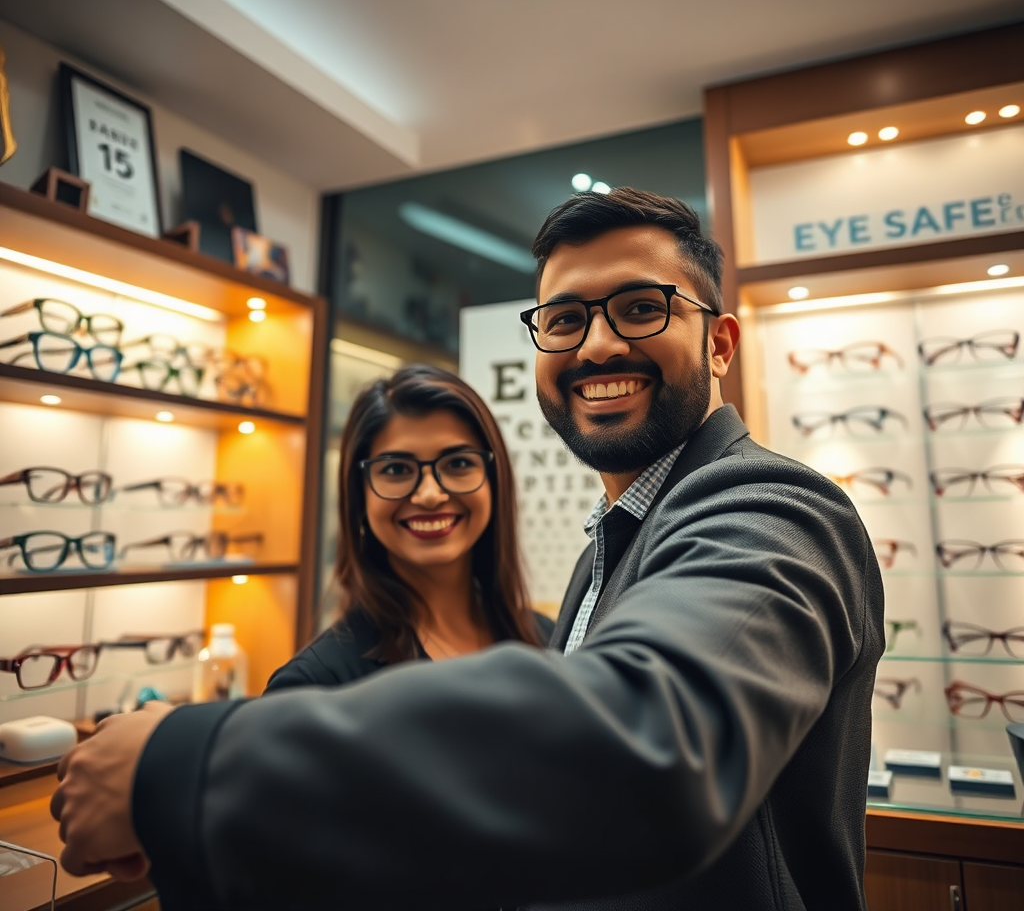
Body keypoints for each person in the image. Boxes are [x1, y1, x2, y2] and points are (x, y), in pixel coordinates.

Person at [50, 187, 884, 911]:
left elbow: (652, 743)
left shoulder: (771, 504)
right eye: (564, 319)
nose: (595, 346)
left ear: (721, 344)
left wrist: (183, 764)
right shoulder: (615, 542)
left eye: (641, 307)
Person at [265, 364, 551, 689]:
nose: (430, 495)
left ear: (494, 481)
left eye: (458, 463)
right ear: (360, 494)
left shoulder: (549, 641)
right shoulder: (318, 684)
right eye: (397, 469)